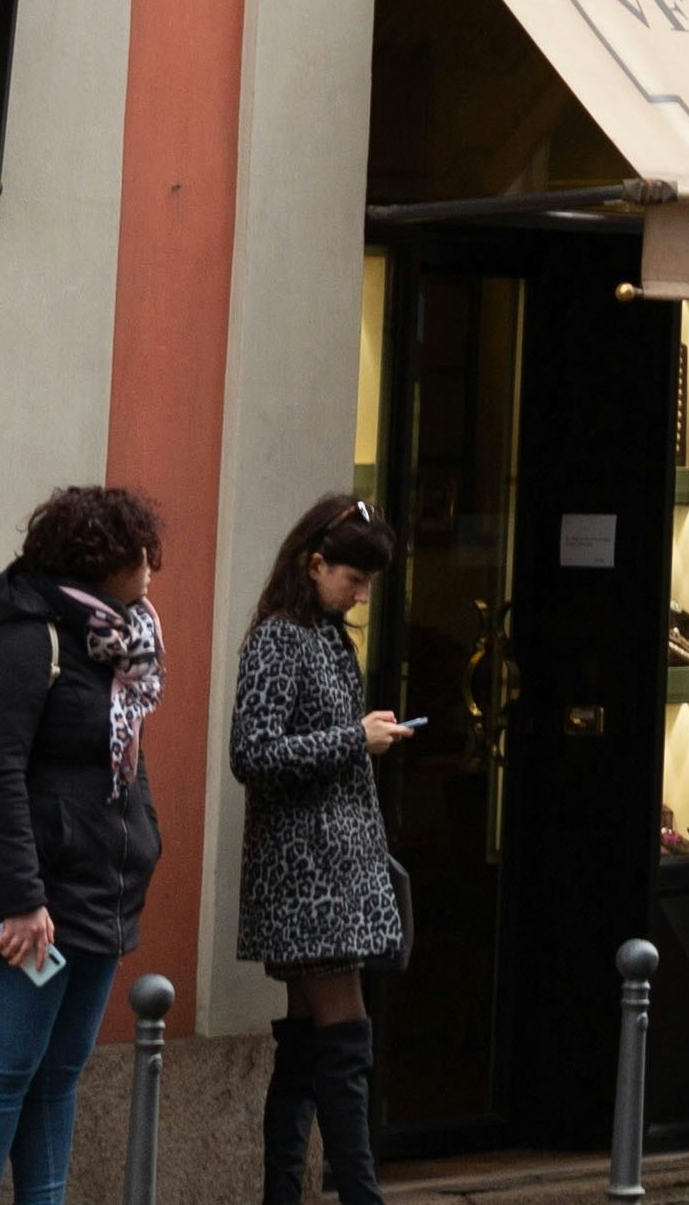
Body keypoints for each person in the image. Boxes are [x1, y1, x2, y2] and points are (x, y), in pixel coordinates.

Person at [0, 484, 170, 1205]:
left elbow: (122, 762)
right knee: (6, 1066)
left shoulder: (118, 646)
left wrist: (144, 842)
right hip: (33, 900)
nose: (151, 571)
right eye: (142, 557)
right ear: (101, 561)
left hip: (102, 891)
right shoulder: (25, 636)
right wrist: (22, 901)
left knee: (60, 1071)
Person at [229, 494, 415, 1205]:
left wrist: (365, 734)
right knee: (345, 1045)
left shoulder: (329, 637)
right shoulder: (280, 637)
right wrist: (354, 739)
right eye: (353, 578)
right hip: (307, 877)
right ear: (314, 564)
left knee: (309, 1050)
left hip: (333, 872)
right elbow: (253, 751)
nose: (362, 593)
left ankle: (283, 1195)